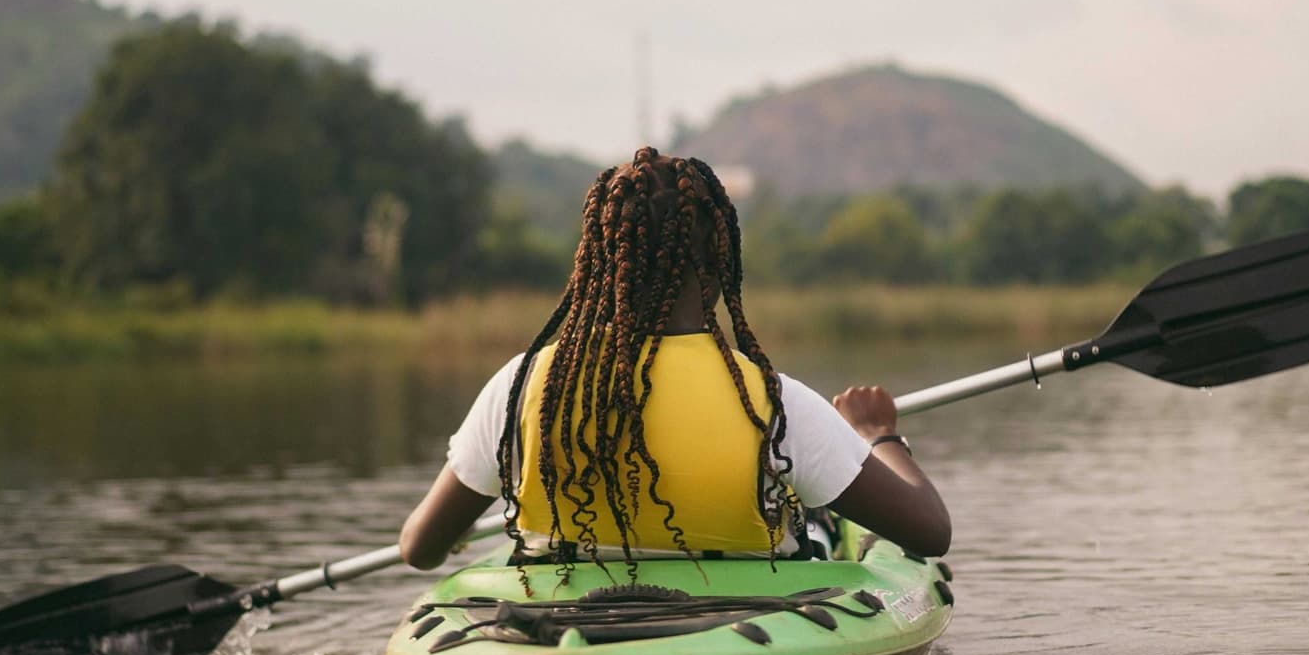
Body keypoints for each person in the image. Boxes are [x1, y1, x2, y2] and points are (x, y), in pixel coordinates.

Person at [399, 148, 950, 573]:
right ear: (721, 260)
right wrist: (878, 435)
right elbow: (930, 533)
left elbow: (420, 548)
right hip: (745, 623)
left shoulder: (521, 387)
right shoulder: (772, 404)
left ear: (597, 262)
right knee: (816, 520)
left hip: (554, 616)